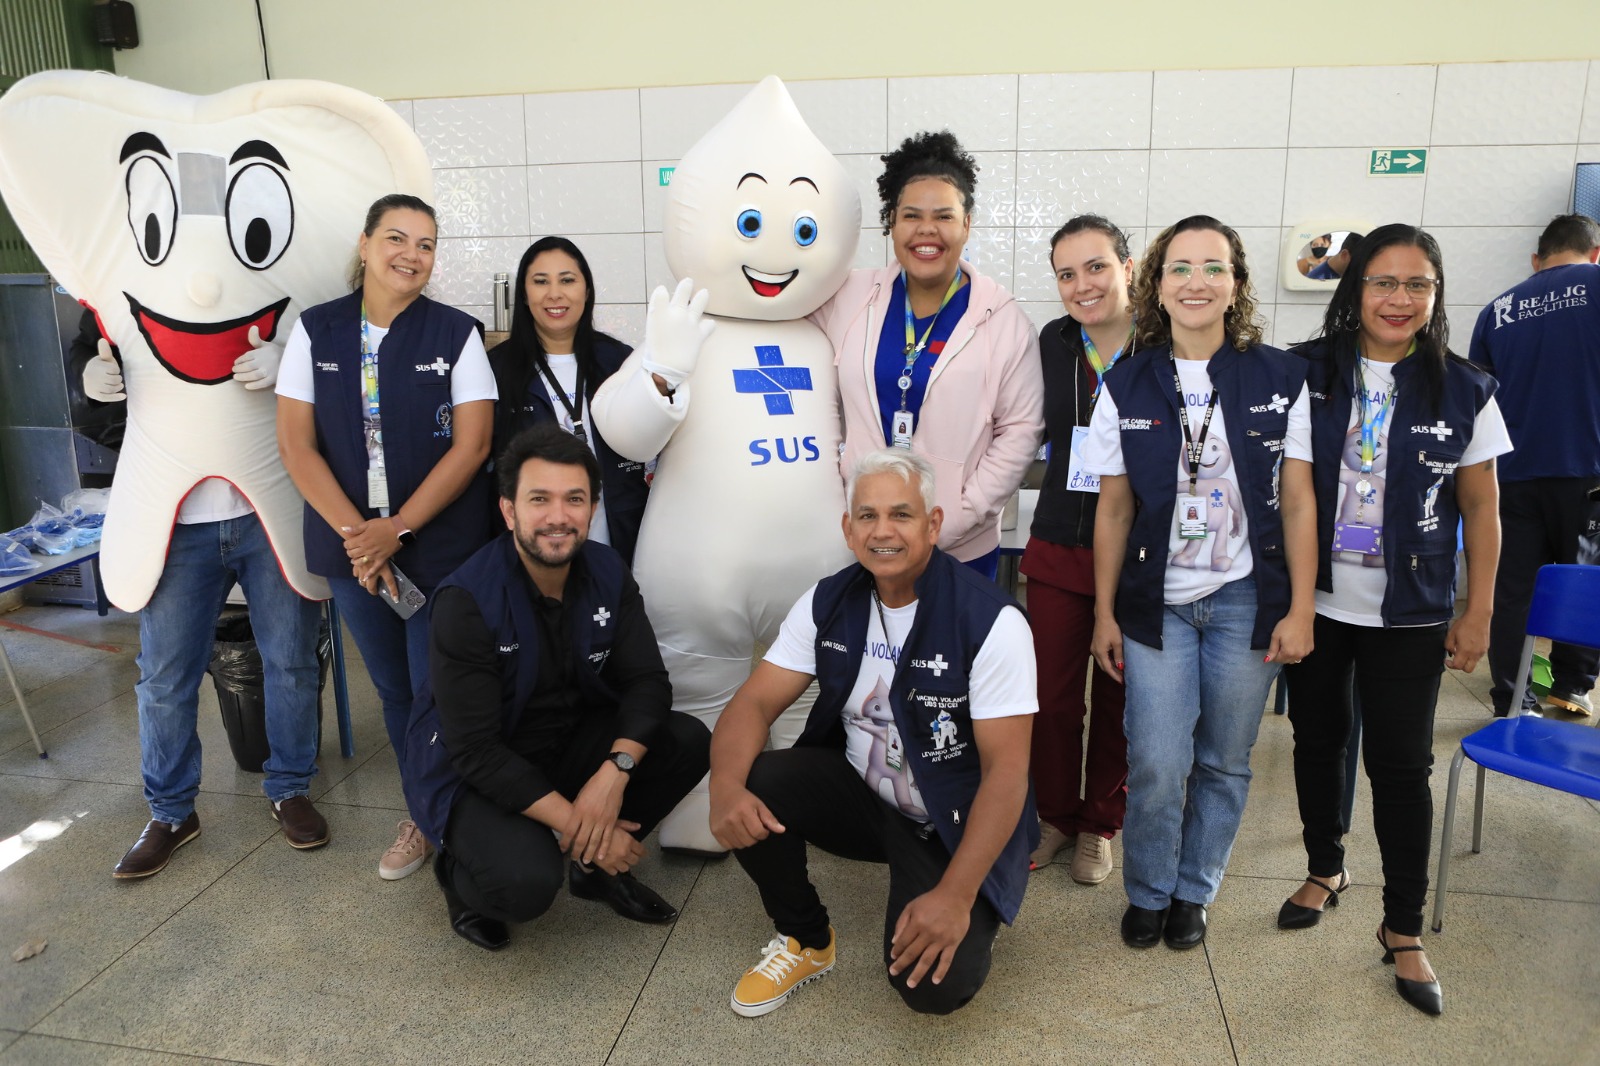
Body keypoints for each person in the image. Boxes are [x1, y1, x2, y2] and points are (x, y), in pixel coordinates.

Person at [709, 448, 1037, 1018]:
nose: (882, 531)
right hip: (866, 795)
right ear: (848, 527)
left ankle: (964, 895)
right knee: (756, 780)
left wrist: (956, 898)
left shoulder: (992, 620)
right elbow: (754, 703)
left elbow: (1007, 772)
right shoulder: (828, 600)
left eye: (901, 515)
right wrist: (723, 790)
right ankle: (806, 939)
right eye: (867, 516)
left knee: (931, 989)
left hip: (950, 819)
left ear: (933, 525)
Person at [1281, 223, 1509, 1017]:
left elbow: (1481, 506)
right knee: (1317, 741)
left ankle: (1403, 928)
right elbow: (1294, 487)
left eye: (1418, 285)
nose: (1399, 299)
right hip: (1317, 602)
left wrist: (1477, 610)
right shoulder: (1308, 372)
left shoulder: (1465, 386)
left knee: (1403, 767)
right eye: (1384, 282)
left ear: (1437, 295)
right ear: (1356, 288)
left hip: (1410, 609)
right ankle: (1325, 866)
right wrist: (1294, 601)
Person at [1084, 214, 1317, 952]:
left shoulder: (1283, 377)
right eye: (1180, 268)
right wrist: (1103, 614)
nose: (1196, 282)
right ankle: (1149, 890)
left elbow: (1303, 499)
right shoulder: (1125, 381)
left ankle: (1195, 890)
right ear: (1155, 284)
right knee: (1156, 759)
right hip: (1156, 605)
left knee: (1223, 759)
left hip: (1247, 599)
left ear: (1236, 285)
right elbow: (1114, 508)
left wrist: (1301, 606)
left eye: (1213, 267)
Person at [401, 423, 709, 950]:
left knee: (687, 740)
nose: (558, 517)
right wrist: (585, 824)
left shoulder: (607, 569)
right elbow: (475, 750)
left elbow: (648, 683)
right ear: (509, 510)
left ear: (593, 509)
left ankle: (595, 871)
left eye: (575, 499)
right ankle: (458, 876)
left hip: (566, 740)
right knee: (524, 886)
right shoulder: (466, 600)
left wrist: (613, 775)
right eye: (539, 499)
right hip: (479, 769)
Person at [277, 193, 496, 880]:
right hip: (353, 554)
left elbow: (473, 446)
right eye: (397, 238)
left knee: (437, 688)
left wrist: (396, 529)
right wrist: (360, 538)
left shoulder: (455, 335)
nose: (411, 255)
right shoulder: (316, 333)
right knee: (394, 691)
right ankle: (421, 813)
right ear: (367, 244)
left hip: (434, 546)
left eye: (426, 244)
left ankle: (463, 813)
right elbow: (296, 445)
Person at [812, 130, 1043, 582]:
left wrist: (958, 515)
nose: (926, 230)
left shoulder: (1003, 319)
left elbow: (1020, 431)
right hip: (866, 540)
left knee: (951, 653)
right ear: (892, 223)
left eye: (944, 216)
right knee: (866, 651)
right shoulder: (850, 297)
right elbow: (781, 315)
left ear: (967, 225)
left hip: (958, 545)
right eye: (911, 215)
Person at [1020, 215, 1134, 883]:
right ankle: (1058, 815)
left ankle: (1100, 823)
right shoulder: (1054, 343)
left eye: (1096, 267)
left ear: (1126, 265)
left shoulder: (1163, 344)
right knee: (1053, 697)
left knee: (1120, 693)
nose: (1082, 284)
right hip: (1062, 541)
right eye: (1067, 273)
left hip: (1139, 550)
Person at [1469, 213, 1600, 718]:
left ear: (1536, 260)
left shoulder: (1498, 308)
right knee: (1583, 577)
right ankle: (1571, 686)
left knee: (1514, 589)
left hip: (1509, 474)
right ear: (1594, 253)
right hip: (1587, 465)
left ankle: (1512, 696)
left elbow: (1477, 397)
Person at [489, 236, 649, 565]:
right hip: (535, 547)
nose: (555, 294)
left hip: (619, 540)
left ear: (586, 290)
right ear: (524, 294)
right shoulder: (497, 369)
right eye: (540, 282)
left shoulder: (620, 361)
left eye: (567, 280)